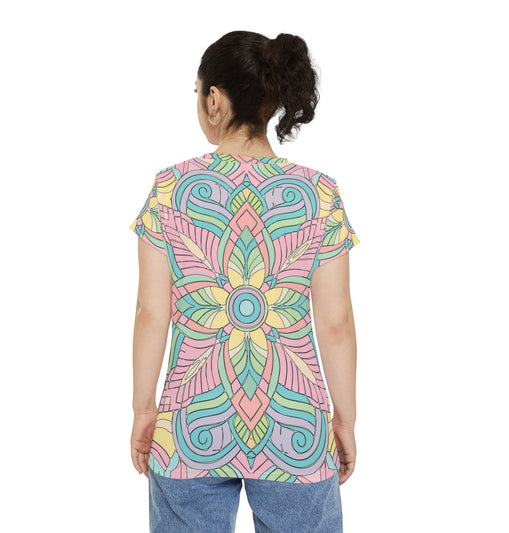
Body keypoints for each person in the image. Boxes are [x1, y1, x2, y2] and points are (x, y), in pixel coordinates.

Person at [129, 30, 360, 533]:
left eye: (197, 92)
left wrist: (144, 410)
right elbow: (336, 323)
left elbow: (151, 313)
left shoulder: (171, 188)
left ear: (214, 99)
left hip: (190, 424)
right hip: (294, 427)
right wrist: (344, 419)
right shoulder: (319, 194)